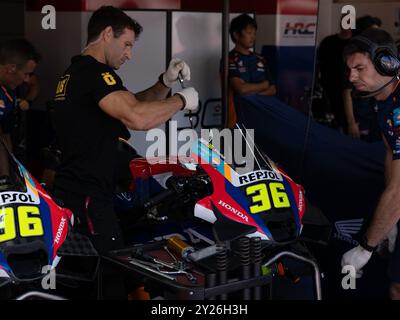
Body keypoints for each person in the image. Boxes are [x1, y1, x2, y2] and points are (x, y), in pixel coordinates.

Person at [52, 6, 198, 256]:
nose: (129, 54)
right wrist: (181, 101)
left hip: (80, 190)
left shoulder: (78, 72)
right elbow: (136, 117)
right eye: (127, 44)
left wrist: (165, 82)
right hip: (89, 196)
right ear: (108, 33)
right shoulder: (93, 73)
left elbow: (132, 103)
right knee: (109, 277)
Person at [340, 28, 400, 299]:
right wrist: (391, 222)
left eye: (359, 68)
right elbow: (390, 152)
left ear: (387, 64)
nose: (351, 77)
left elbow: (399, 191)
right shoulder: (383, 101)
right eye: (350, 69)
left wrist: (365, 249)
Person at [0, 39, 39, 181]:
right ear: (11, 68)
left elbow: (4, 136)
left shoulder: (8, 93)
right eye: (26, 74)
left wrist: (7, 177)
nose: (27, 80)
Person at [227, 14, 276, 97]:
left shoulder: (260, 58)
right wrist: (263, 85)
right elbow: (242, 89)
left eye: (254, 33)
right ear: (236, 35)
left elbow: (273, 89)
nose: (253, 37)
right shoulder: (229, 59)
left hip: (264, 105)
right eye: (249, 33)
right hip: (243, 107)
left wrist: (255, 93)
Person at [317, 16, 352, 132]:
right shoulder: (328, 42)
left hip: (350, 90)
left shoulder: (356, 43)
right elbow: (318, 62)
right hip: (329, 88)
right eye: (344, 22)